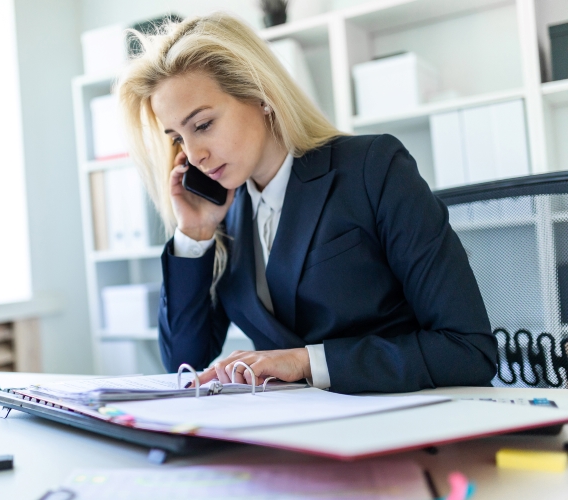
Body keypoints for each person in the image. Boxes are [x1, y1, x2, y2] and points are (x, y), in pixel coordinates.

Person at [116, 13, 497, 394]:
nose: (194, 154)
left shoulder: (372, 167)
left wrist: (306, 361)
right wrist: (194, 235)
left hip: (398, 418)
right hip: (292, 432)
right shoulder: (225, 213)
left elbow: (467, 349)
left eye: (202, 125)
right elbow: (184, 358)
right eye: (178, 138)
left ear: (260, 95)